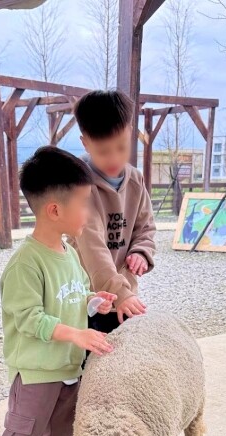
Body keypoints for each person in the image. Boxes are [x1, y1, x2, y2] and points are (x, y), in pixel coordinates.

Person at [0, 146, 116, 436]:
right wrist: (76, 333)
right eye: (84, 204)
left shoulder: (68, 253)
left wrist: (93, 302)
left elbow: (71, 298)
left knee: (60, 432)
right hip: (38, 372)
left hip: (69, 368)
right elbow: (29, 318)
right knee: (22, 433)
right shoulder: (26, 263)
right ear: (54, 210)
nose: (89, 214)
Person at [71, 90, 156, 334]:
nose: (114, 158)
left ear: (130, 133)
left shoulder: (135, 181)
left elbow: (146, 227)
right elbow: (92, 246)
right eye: (103, 151)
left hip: (125, 294)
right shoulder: (79, 187)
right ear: (85, 143)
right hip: (89, 297)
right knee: (88, 362)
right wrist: (119, 293)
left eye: (121, 147)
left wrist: (142, 251)